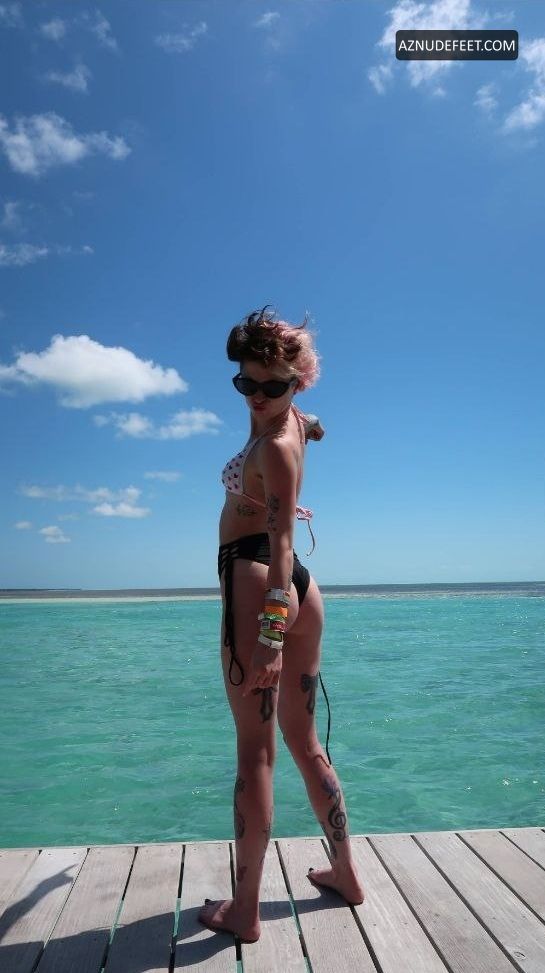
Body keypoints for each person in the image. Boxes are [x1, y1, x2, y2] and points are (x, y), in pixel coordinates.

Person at [198, 306, 365, 943]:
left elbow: (283, 542)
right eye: (248, 382)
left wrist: (268, 639)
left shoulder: (273, 444)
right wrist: (307, 418)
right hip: (300, 592)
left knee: (256, 751)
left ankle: (244, 912)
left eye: (275, 385)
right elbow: (315, 426)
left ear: (297, 380)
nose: (260, 396)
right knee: (304, 740)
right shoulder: (295, 420)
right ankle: (346, 873)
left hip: (261, 581)